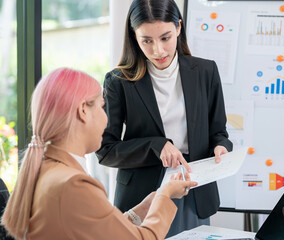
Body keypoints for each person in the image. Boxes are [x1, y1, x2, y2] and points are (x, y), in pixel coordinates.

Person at [1, 68, 197, 240]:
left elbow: (95, 229)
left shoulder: (46, 169)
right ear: (83, 111)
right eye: (103, 107)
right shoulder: (74, 184)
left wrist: (142, 209)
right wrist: (165, 194)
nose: (106, 119)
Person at [96, 0, 232, 236]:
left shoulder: (206, 72)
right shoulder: (118, 81)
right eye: (146, 41)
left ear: (178, 28)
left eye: (165, 38)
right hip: (142, 196)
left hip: (193, 190)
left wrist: (221, 146)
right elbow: (105, 150)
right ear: (134, 36)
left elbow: (218, 131)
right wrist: (156, 146)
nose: (158, 50)